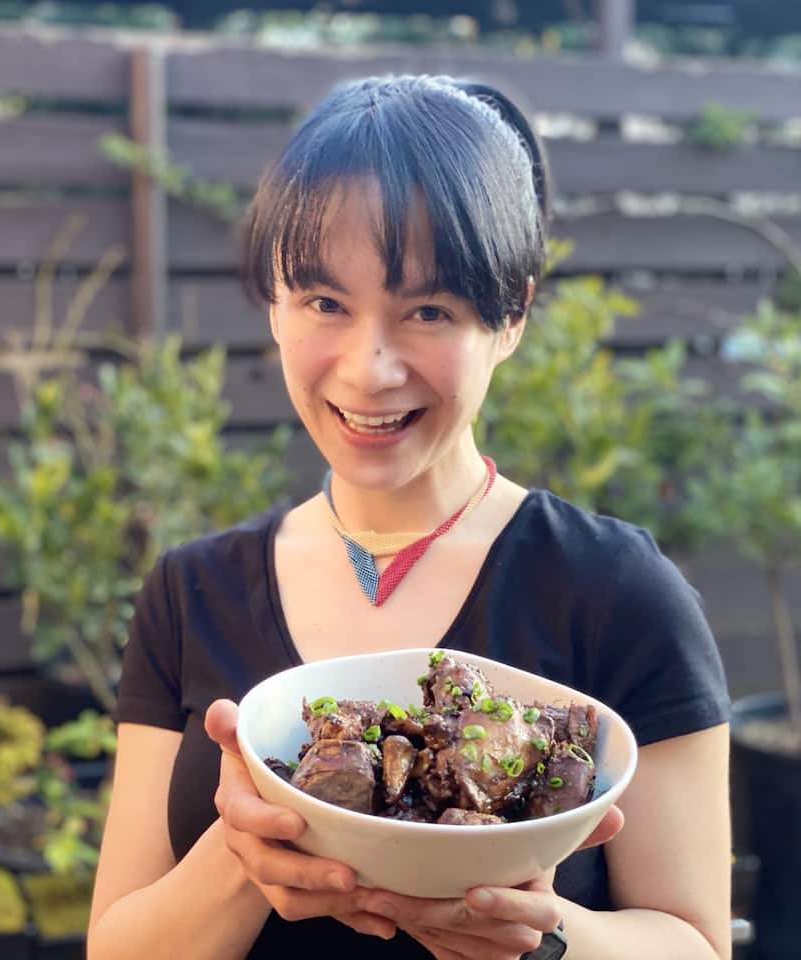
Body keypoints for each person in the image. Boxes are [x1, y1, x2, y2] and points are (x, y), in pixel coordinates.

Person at [87, 74, 732, 960]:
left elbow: (696, 944)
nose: (367, 369)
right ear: (275, 307)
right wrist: (242, 860)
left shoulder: (619, 593)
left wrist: (545, 938)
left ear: (511, 317)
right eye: (324, 303)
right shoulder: (190, 593)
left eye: (428, 310)